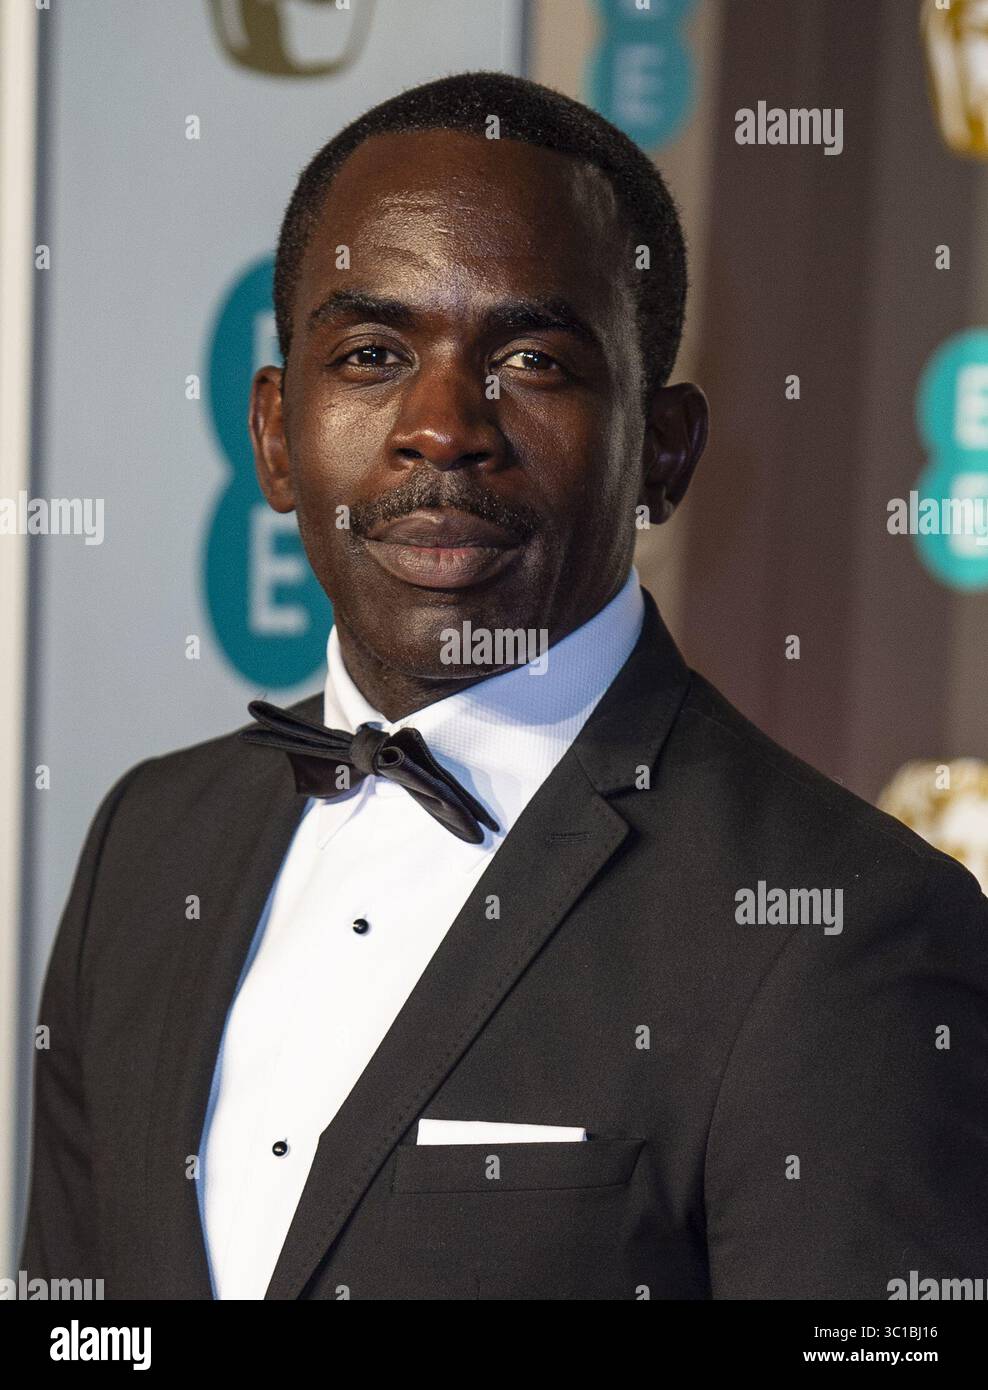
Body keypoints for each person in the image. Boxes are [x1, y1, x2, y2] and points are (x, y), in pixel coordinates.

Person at [19, 71, 988, 1300]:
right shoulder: (149, 845)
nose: (439, 426)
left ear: (665, 452)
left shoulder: (841, 926)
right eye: (370, 352)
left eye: (531, 358)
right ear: (274, 435)